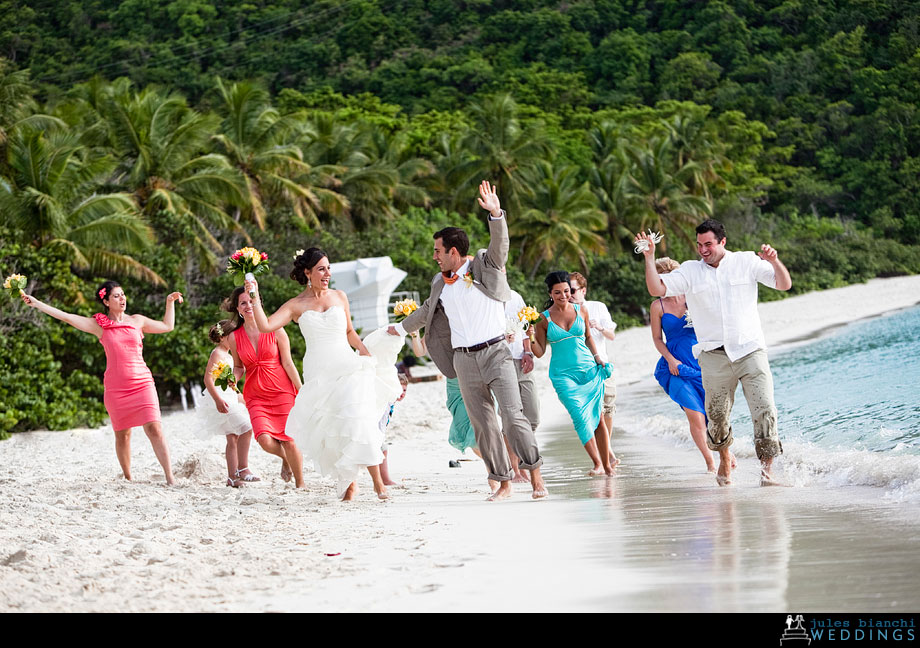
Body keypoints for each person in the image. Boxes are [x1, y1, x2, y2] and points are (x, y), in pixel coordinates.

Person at [388, 180, 547, 502]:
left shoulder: (484, 266)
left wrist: (496, 214)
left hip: (497, 353)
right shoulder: (439, 282)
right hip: (463, 360)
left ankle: (536, 477)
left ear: (453, 251)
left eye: (437, 250)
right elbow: (428, 311)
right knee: (484, 425)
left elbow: (500, 246)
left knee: (513, 417)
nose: (434, 256)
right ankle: (502, 483)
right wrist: (400, 329)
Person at [636, 219, 792, 486]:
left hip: (750, 350)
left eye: (708, 244)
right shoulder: (689, 271)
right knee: (717, 417)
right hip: (713, 356)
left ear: (723, 241)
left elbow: (783, 284)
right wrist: (649, 257)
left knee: (765, 409)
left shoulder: (745, 262)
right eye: (699, 245)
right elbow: (656, 289)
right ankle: (723, 459)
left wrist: (774, 261)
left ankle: (767, 473)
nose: (703, 250)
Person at [246, 248, 402, 501]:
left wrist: (364, 352)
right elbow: (265, 326)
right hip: (319, 371)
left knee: (357, 420)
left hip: (347, 365)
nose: (327, 273)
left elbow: (350, 332)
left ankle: (378, 483)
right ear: (307, 273)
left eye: (329, 268)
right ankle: (349, 483)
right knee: (333, 426)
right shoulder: (295, 305)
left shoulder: (340, 297)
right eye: (321, 268)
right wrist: (254, 296)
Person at [22, 281, 181, 485]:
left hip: (142, 382)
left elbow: (168, 326)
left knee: (154, 428)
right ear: (106, 301)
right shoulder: (99, 325)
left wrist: (169, 302)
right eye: (116, 296)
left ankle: (170, 477)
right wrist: (37, 303)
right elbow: (67, 317)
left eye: (123, 294)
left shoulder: (137, 321)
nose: (122, 298)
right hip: (116, 388)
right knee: (123, 434)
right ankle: (128, 477)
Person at [529, 271, 617, 476]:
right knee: (579, 416)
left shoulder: (582, 310)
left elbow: (587, 337)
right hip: (563, 376)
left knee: (599, 418)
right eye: (558, 292)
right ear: (550, 293)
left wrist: (598, 358)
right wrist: (531, 337)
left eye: (567, 291)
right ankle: (597, 462)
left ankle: (607, 467)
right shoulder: (542, 319)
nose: (563, 296)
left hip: (589, 371)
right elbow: (539, 353)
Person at [225, 287, 305, 489]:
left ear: (259, 302)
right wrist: (231, 379)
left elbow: (288, 363)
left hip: (282, 390)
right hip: (256, 395)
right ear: (238, 308)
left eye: (252, 301)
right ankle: (286, 458)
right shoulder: (234, 337)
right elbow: (238, 366)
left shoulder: (276, 328)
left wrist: (301, 389)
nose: (248, 305)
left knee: (289, 440)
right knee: (264, 440)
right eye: (243, 303)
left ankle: (300, 483)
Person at [649, 258, 717, 473]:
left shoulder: (692, 298)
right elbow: (657, 339)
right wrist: (671, 360)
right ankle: (710, 461)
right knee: (695, 415)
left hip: (701, 364)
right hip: (674, 367)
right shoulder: (657, 305)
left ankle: (723, 451)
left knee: (712, 415)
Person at [199, 320, 258, 487]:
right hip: (220, 397)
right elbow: (208, 378)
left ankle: (232, 477)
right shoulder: (217, 353)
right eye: (234, 337)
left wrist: (239, 395)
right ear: (223, 337)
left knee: (233, 437)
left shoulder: (231, 356)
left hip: (230, 395)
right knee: (247, 428)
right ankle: (242, 468)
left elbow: (231, 381)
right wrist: (218, 399)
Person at [568, 271, 617, 458]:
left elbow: (612, 336)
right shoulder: (564, 311)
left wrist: (599, 327)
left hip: (602, 365)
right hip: (579, 370)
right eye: (566, 290)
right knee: (590, 413)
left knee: (608, 410)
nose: (569, 294)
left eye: (572, 290)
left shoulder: (598, 307)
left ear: (583, 290)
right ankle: (605, 456)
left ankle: (607, 450)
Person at [503, 289, 540, 482]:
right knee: (510, 418)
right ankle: (515, 469)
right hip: (499, 362)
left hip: (520, 359)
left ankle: (525, 461)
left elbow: (527, 327)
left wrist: (528, 352)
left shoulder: (515, 297)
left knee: (532, 416)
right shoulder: (481, 296)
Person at [378, 373, 409, 486]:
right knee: (383, 449)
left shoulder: (391, 402)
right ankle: (385, 480)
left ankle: (383, 479)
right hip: (376, 431)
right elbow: (380, 421)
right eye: (400, 389)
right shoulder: (386, 402)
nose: (402, 393)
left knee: (382, 450)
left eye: (404, 390)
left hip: (379, 431)